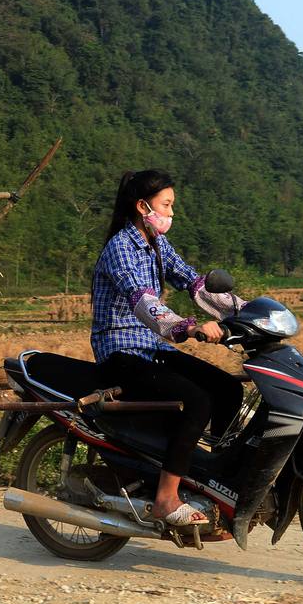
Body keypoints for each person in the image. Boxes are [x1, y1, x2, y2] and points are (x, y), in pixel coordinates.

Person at [90, 169, 245, 526]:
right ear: (143, 206)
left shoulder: (157, 245)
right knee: (198, 400)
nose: (172, 212)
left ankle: (215, 481)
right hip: (121, 351)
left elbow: (195, 283)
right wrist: (188, 327)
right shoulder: (120, 248)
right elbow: (143, 302)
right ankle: (165, 499)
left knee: (228, 389)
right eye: (167, 204)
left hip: (149, 348)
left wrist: (248, 313)